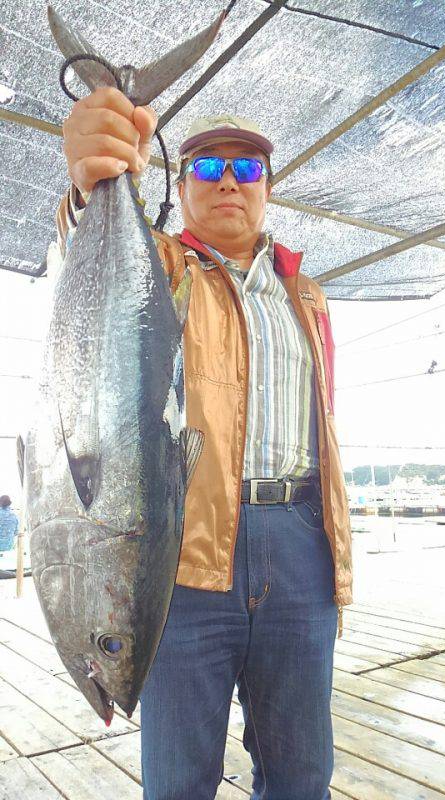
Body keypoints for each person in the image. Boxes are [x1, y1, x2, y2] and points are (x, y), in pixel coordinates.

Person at [58, 88, 353, 800]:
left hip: (301, 547)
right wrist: (90, 183)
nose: (228, 182)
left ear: (267, 189)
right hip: (187, 552)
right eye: (208, 167)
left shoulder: (307, 294)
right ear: (182, 185)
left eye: (247, 170)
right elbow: (85, 254)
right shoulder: (164, 265)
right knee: (179, 779)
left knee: (302, 773)